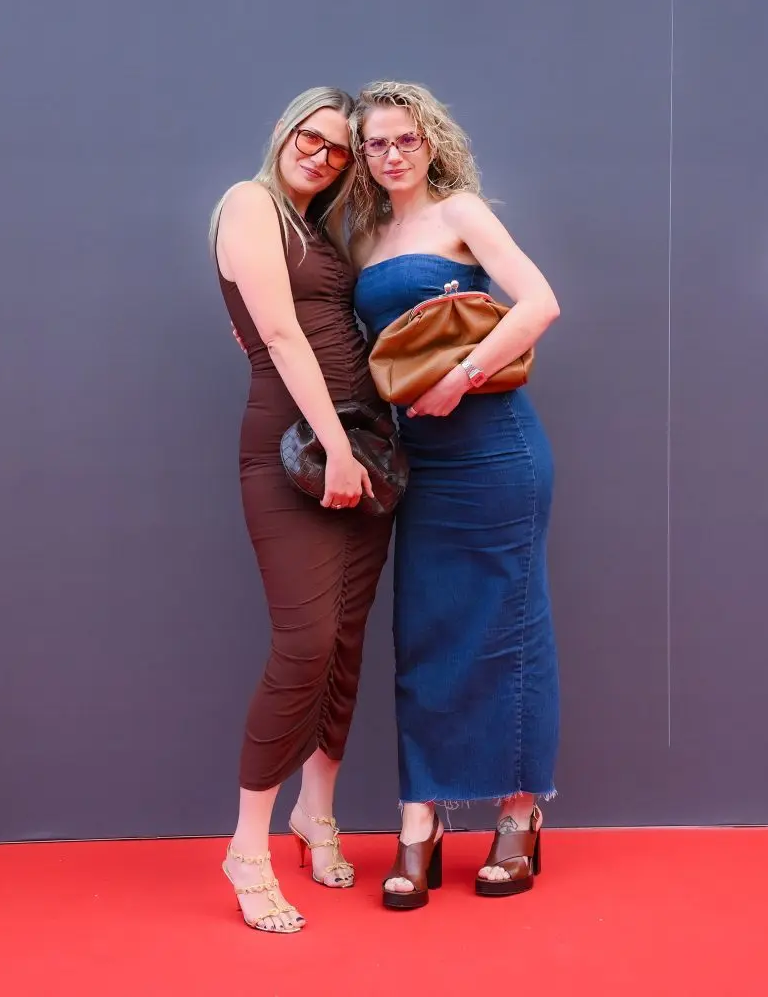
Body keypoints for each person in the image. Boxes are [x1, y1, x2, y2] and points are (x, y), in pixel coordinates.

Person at [347, 80, 561, 909]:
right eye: (375, 142)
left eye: (405, 138)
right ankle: (421, 819)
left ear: (430, 141)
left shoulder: (461, 212)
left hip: (496, 448)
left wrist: (462, 376)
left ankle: (518, 812)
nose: (391, 153)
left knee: (511, 626)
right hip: (421, 461)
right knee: (426, 632)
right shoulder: (363, 235)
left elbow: (539, 304)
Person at [209, 86, 396, 934]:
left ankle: (316, 812)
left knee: (346, 640)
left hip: (364, 446)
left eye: (338, 149)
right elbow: (281, 337)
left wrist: (361, 444)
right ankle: (247, 847)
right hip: (299, 447)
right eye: (309, 138)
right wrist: (337, 446)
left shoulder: (315, 226)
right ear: (283, 131)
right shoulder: (249, 202)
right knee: (306, 641)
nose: (321, 155)